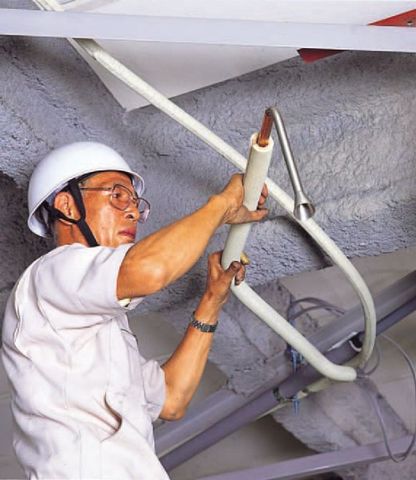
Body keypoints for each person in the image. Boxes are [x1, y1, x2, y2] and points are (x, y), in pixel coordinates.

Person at [1, 141, 268, 479]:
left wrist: (211, 302)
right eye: (117, 196)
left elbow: (172, 399)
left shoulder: (98, 331)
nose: (133, 213)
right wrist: (223, 204)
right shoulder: (49, 275)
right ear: (67, 205)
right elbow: (149, 270)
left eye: (135, 203)